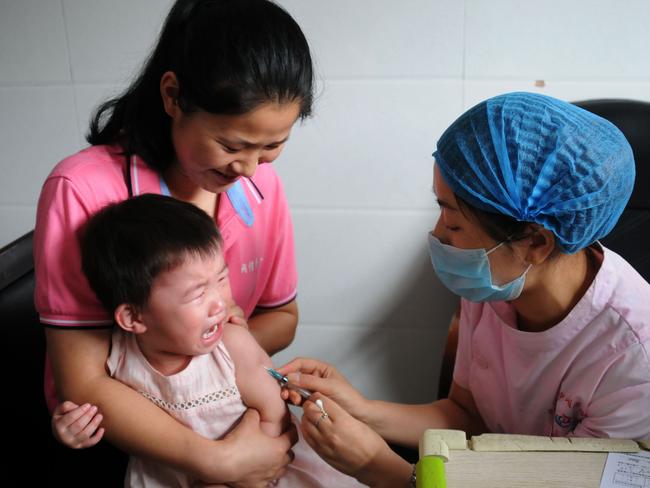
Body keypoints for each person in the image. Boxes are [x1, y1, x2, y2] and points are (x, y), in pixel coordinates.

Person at [276, 93, 650, 487]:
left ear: (537, 243)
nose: (439, 236)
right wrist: (361, 409)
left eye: (453, 224)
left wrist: (381, 468)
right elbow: (466, 417)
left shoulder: (632, 359)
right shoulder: (496, 285)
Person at [34, 0, 313, 484]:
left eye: (271, 146)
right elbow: (83, 381)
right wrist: (217, 460)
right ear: (172, 96)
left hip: (233, 419)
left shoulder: (262, 189)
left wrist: (223, 353)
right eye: (231, 145)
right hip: (123, 445)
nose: (248, 169)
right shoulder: (81, 190)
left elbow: (282, 317)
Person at [59, 194, 360, 487]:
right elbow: (103, 416)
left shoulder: (232, 344)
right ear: (134, 319)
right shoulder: (116, 357)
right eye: (198, 293)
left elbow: (275, 417)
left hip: (265, 473)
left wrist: (236, 478)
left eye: (222, 279)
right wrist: (72, 431)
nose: (220, 303)